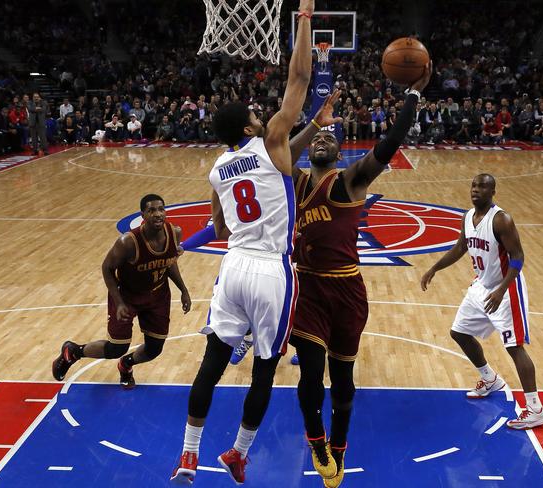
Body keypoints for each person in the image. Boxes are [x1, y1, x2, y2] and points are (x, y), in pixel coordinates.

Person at [230, 66, 431, 486]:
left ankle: (339, 444)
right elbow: (275, 143)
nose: (321, 141)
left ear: (338, 153)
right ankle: (317, 439)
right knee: (310, 372)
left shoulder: (351, 181)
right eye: (316, 139)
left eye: (328, 139)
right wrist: (313, 121)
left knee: (343, 379)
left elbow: (391, 142)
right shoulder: (293, 181)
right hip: (307, 287)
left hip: (348, 289)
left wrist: (412, 96)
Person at [170, 1, 314, 484]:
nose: (262, 114)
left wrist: (191, 242)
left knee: (211, 363)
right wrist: (305, 19)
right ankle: (238, 452)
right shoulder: (272, 140)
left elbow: (222, 226)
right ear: (252, 127)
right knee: (265, 370)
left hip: (231, 268)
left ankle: (188, 454)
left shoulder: (216, 169)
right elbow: (298, 81)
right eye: (256, 113)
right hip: (272, 268)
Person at [420, 174, 543, 430]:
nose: (476, 190)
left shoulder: (501, 219)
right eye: (474, 185)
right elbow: (460, 248)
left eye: (483, 187)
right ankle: (489, 378)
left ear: (493, 191)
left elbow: (518, 257)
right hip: (481, 287)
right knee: (459, 332)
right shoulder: (468, 217)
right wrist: (434, 268)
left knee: (514, 346)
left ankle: (536, 409)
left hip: (506, 289)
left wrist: (501, 290)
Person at [52, 194, 191, 388]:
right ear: (143, 214)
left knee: (154, 349)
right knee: (116, 348)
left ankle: (127, 364)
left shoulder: (175, 232)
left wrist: (183, 290)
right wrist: (118, 302)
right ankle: (73, 351)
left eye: (161, 209)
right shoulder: (128, 242)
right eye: (151, 210)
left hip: (158, 295)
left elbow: (169, 263)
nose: (158, 214)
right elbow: (107, 268)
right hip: (128, 297)